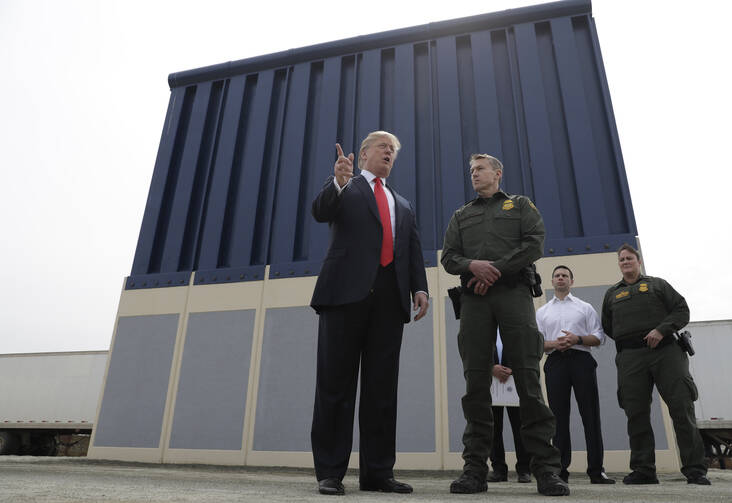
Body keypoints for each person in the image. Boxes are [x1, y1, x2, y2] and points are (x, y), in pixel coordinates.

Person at [310, 131, 430, 496]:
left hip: (389, 302)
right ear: (363, 154)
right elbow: (320, 212)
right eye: (383, 147)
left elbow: (412, 248)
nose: (389, 153)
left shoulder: (403, 204)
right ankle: (330, 472)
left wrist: (419, 287)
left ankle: (378, 472)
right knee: (336, 386)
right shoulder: (347, 188)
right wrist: (338, 182)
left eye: (393, 150)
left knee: (382, 391)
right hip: (345, 296)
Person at [441, 153, 568, 496]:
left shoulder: (520, 205)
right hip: (475, 301)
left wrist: (492, 270)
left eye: (480, 169)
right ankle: (474, 470)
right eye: (470, 170)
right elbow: (449, 257)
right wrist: (473, 266)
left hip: (513, 294)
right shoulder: (461, 215)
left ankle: (545, 470)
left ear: (497, 172)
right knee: (476, 382)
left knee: (528, 378)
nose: (474, 174)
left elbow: (533, 243)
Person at [601, 244, 710, 486]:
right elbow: (608, 326)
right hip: (631, 357)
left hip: (666, 353)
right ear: (619, 264)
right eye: (622, 259)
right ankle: (644, 470)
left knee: (682, 409)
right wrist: (631, 340)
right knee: (636, 413)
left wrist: (661, 330)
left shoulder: (658, 285)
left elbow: (682, 310)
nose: (626, 262)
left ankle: (695, 470)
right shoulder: (611, 294)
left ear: (638, 261)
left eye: (629, 258)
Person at [536, 265, 615, 484]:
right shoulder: (542, 312)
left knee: (590, 415)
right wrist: (555, 343)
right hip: (555, 362)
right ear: (552, 281)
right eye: (557, 276)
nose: (561, 278)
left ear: (572, 281)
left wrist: (577, 339)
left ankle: (596, 471)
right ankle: (560, 471)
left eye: (565, 276)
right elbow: (537, 343)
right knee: (558, 419)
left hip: (581, 361)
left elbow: (599, 337)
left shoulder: (585, 307)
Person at [488, 333, 531, 484]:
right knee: (493, 427)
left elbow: (528, 347)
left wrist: (512, 368)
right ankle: (498, 469)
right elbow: (476, 349)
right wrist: (491, 367)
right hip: (492, 382)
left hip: (515, 380)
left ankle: (524, 469)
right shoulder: (486, 324)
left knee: (520, 426)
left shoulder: (515, 322)